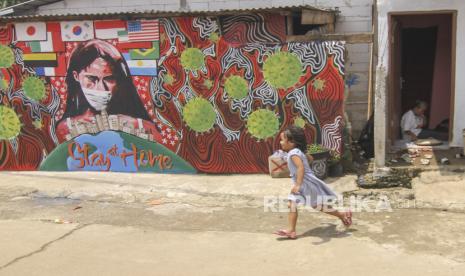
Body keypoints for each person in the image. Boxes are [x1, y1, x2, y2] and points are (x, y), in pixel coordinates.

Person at [56, 40, 162, 143]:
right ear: (76, 76)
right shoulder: (65, 128)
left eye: (109, 79)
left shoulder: (140, 126)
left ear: (119, 79)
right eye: (91, 79)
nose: (101, 88)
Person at [274, 126, 352, 239]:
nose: (280, 142)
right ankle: (291, 230)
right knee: (297, 204)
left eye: (282, 140)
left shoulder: (293, 154)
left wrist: (298, 184)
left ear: (291, 142)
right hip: (306, 183)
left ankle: (342, 215)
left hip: (305, 184)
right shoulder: (297, 152)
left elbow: (300, 168)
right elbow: (310, 159)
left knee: (314, 205)